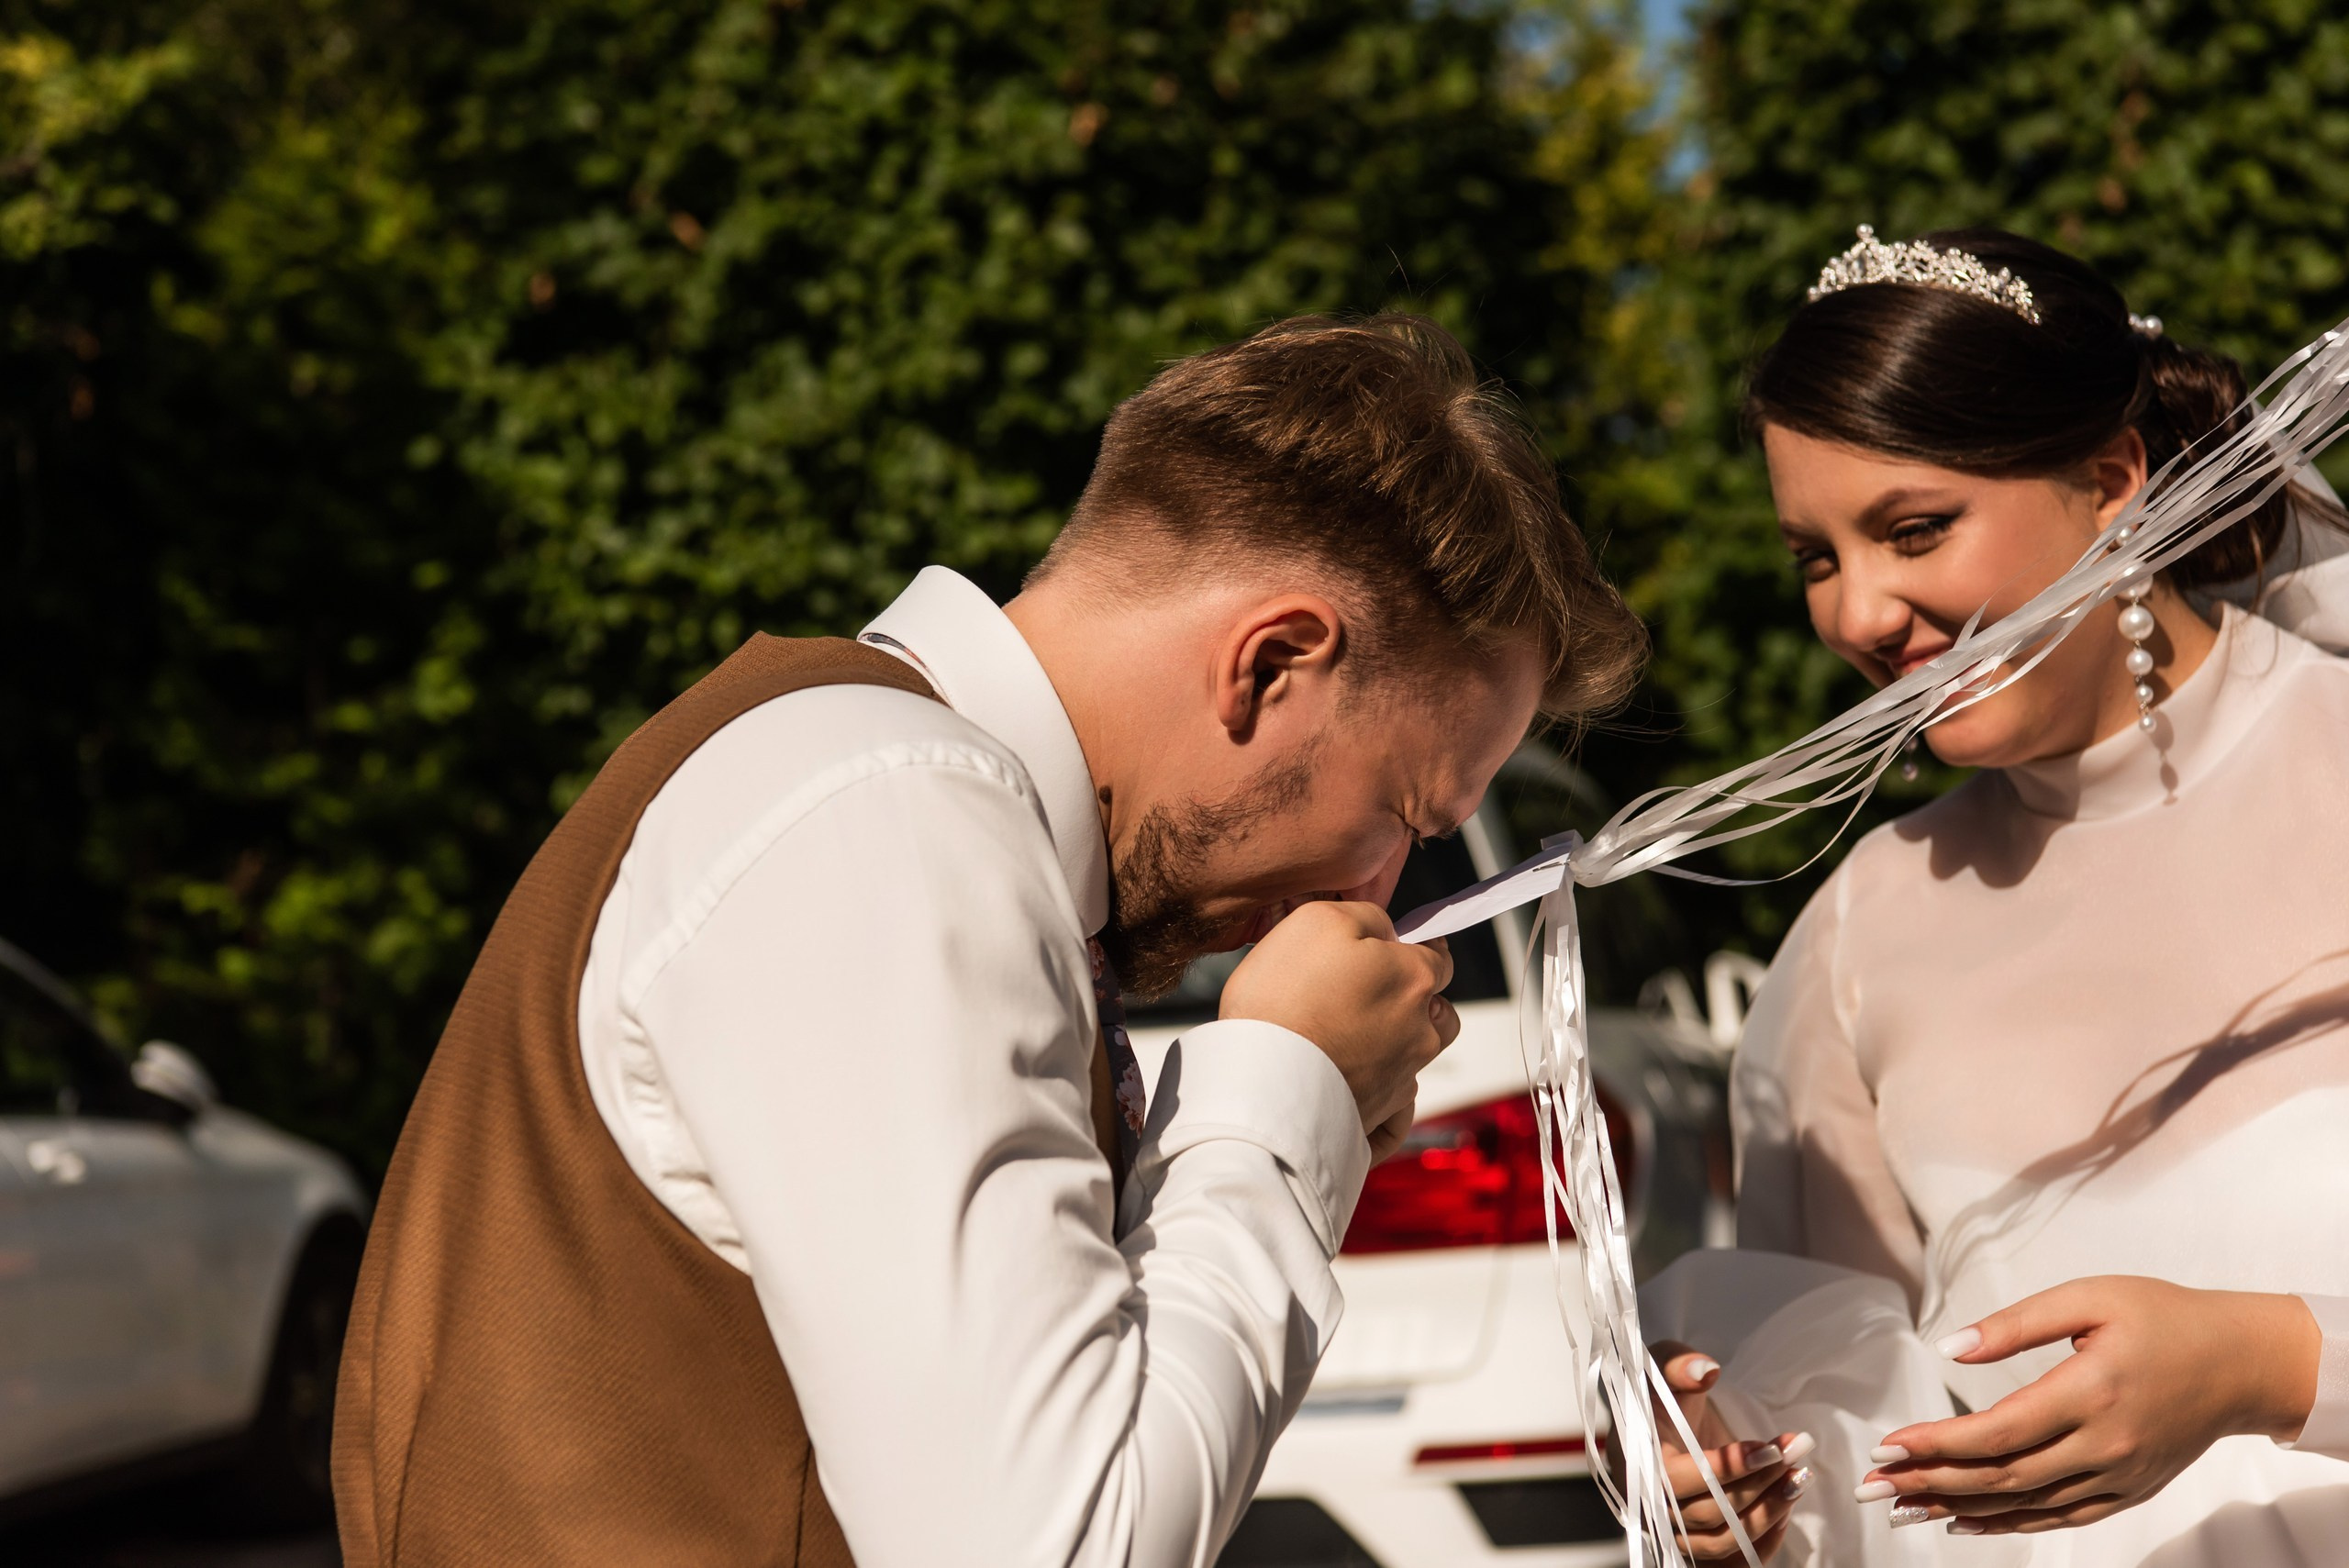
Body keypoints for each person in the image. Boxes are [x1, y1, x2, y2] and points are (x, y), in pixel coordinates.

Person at [329, 315, 1652, 1566]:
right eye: (1406, 814)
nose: (1385, 889)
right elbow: (1056, 1542)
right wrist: (1282, 1094)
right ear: (1271, 662)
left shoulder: (869, 789)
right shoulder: (897, 817)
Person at [1642, 227, 2349, 1568]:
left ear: (2111, 481)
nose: (1861, 612)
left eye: (1915, 529)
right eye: (1815, 557)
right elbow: (1883, 1466)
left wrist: (2269, 1362)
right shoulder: (1861, 937)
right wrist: (1754, 1504)